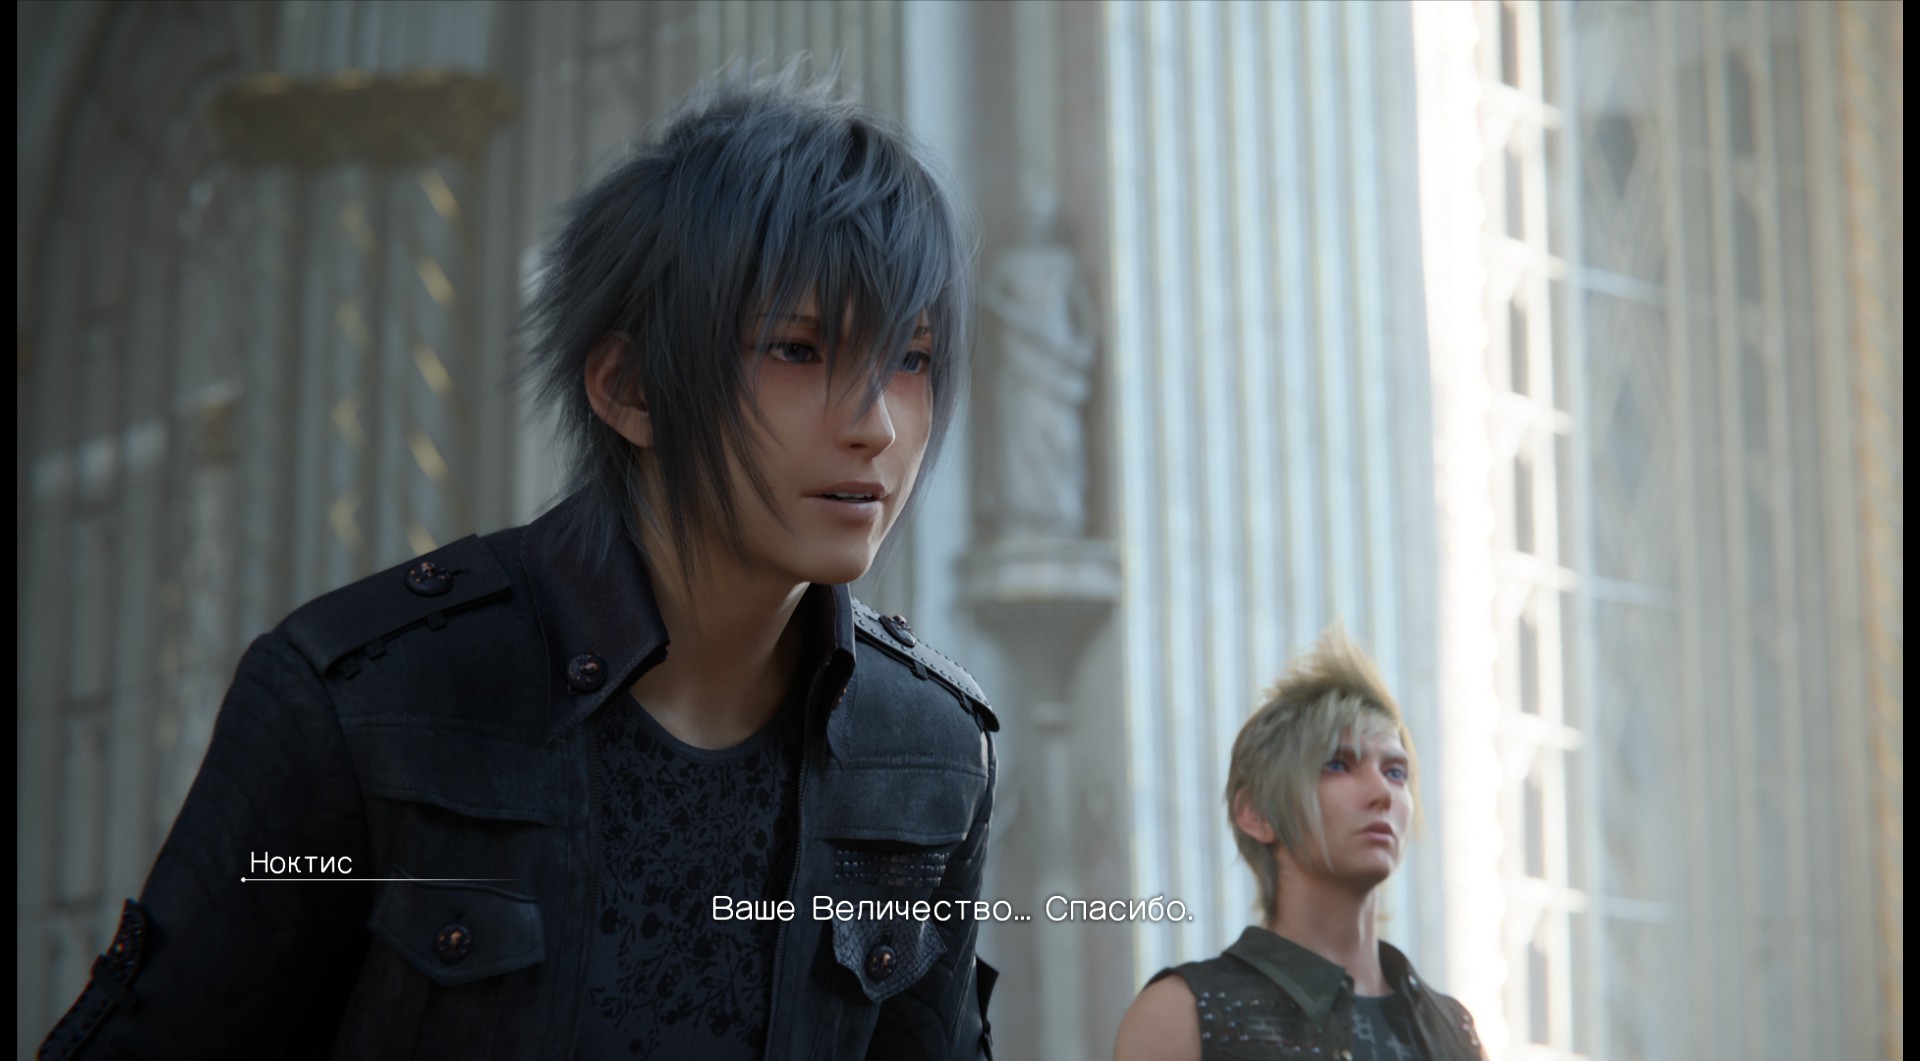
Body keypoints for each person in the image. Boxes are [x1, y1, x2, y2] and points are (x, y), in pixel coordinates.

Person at [42, 65, 999, 1061]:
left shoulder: (927, 752)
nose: (878, 426)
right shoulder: (365, 707)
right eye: (798, 350)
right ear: (629, 388)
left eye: (910, 358)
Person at [1114, 625, 1484, 1061]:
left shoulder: (1450, 1028)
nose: (1382, 792)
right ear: (1256, 814)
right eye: (1338, 765)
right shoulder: (1183, 1014)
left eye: (1396, 772)